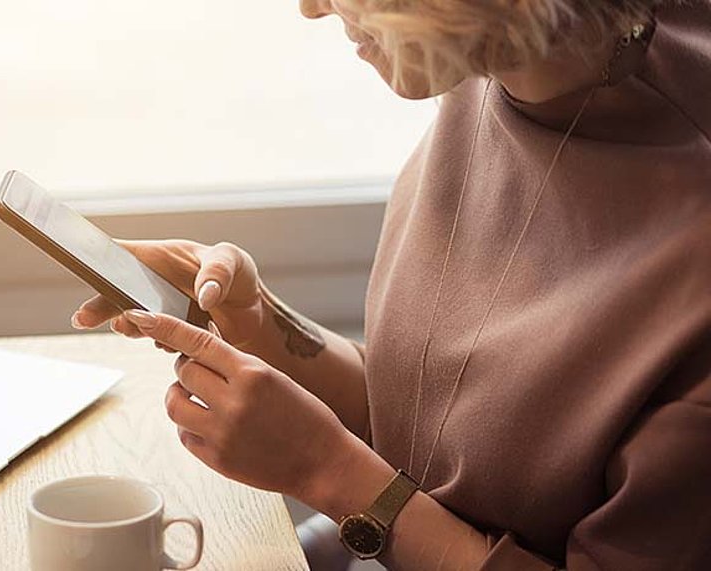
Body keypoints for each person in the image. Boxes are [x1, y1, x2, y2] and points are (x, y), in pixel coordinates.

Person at [70, 0, 711, 569]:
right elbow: (450, 426)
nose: (312, 9)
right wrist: (259, 320)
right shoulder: (496, 60)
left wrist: (327, 472)